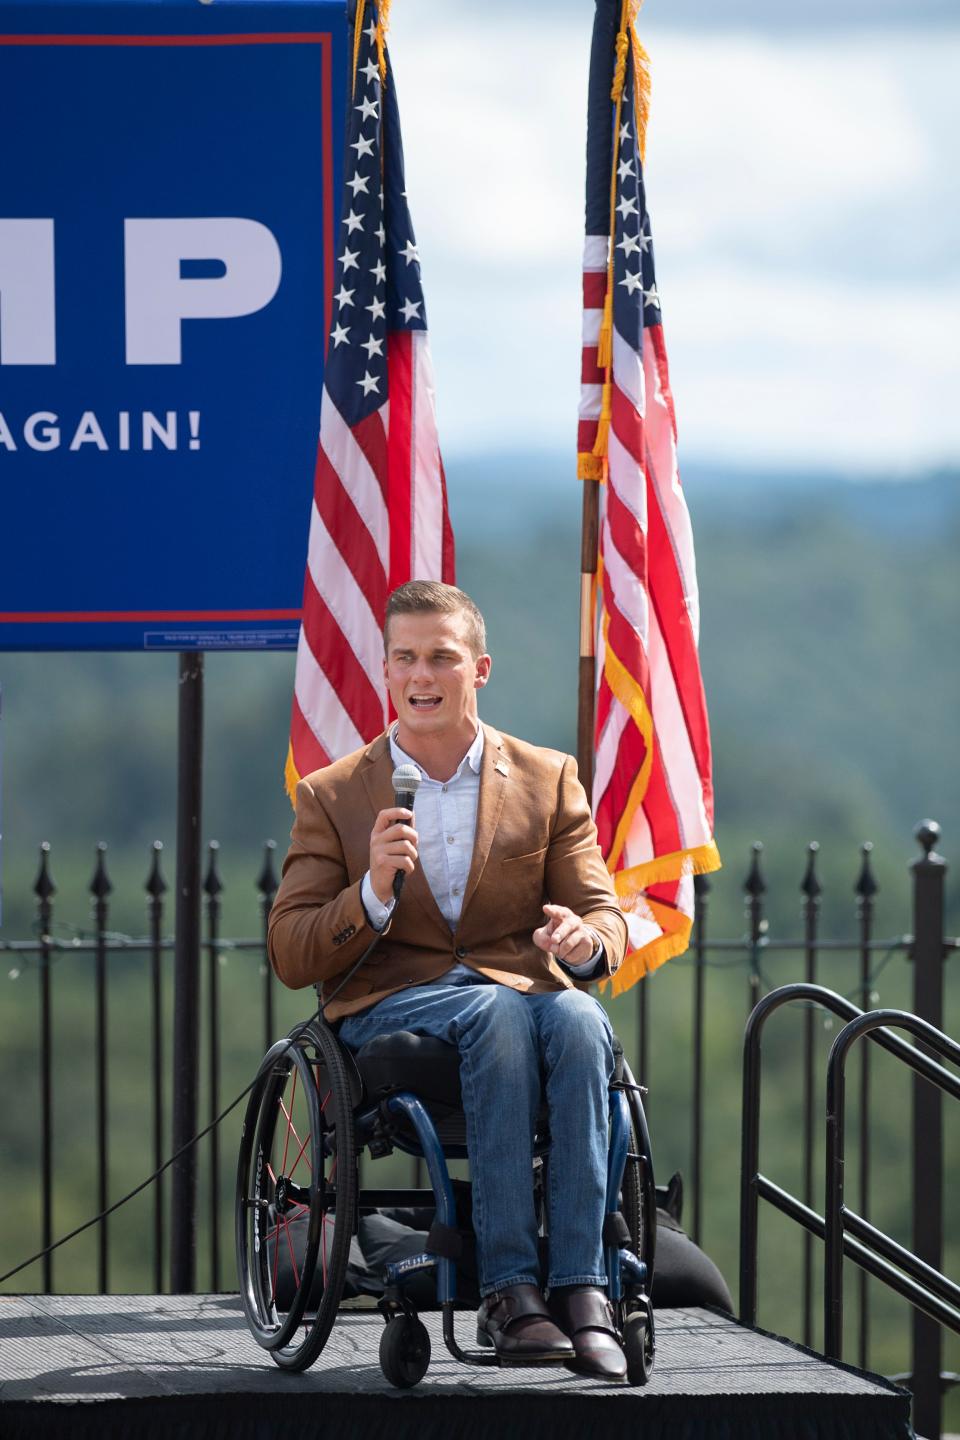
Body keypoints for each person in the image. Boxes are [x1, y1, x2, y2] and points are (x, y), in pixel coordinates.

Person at [268, 580, 630, 1380]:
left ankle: (582, 1291)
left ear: (480, 669)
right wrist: (371, 894)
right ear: (386, 670)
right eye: (404, 657)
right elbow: (292, 951)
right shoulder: (334, 795)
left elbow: (605, 916)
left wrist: (580, 942)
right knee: (497, 1012)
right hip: (391, 1007)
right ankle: (509, 1292)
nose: (420, 674)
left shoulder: (547, 778)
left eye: (441, 656)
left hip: (520, 998)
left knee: (579, 1021)